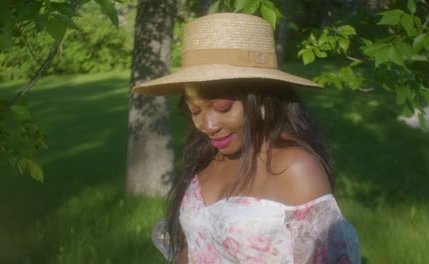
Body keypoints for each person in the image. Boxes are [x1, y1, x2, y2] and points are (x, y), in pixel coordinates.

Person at [133, 13, 360, 264]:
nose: (207, 126)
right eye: (194, 110)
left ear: (262, 99)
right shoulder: (207, 155)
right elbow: (194, 246)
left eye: (222, 107)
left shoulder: (294, 168)